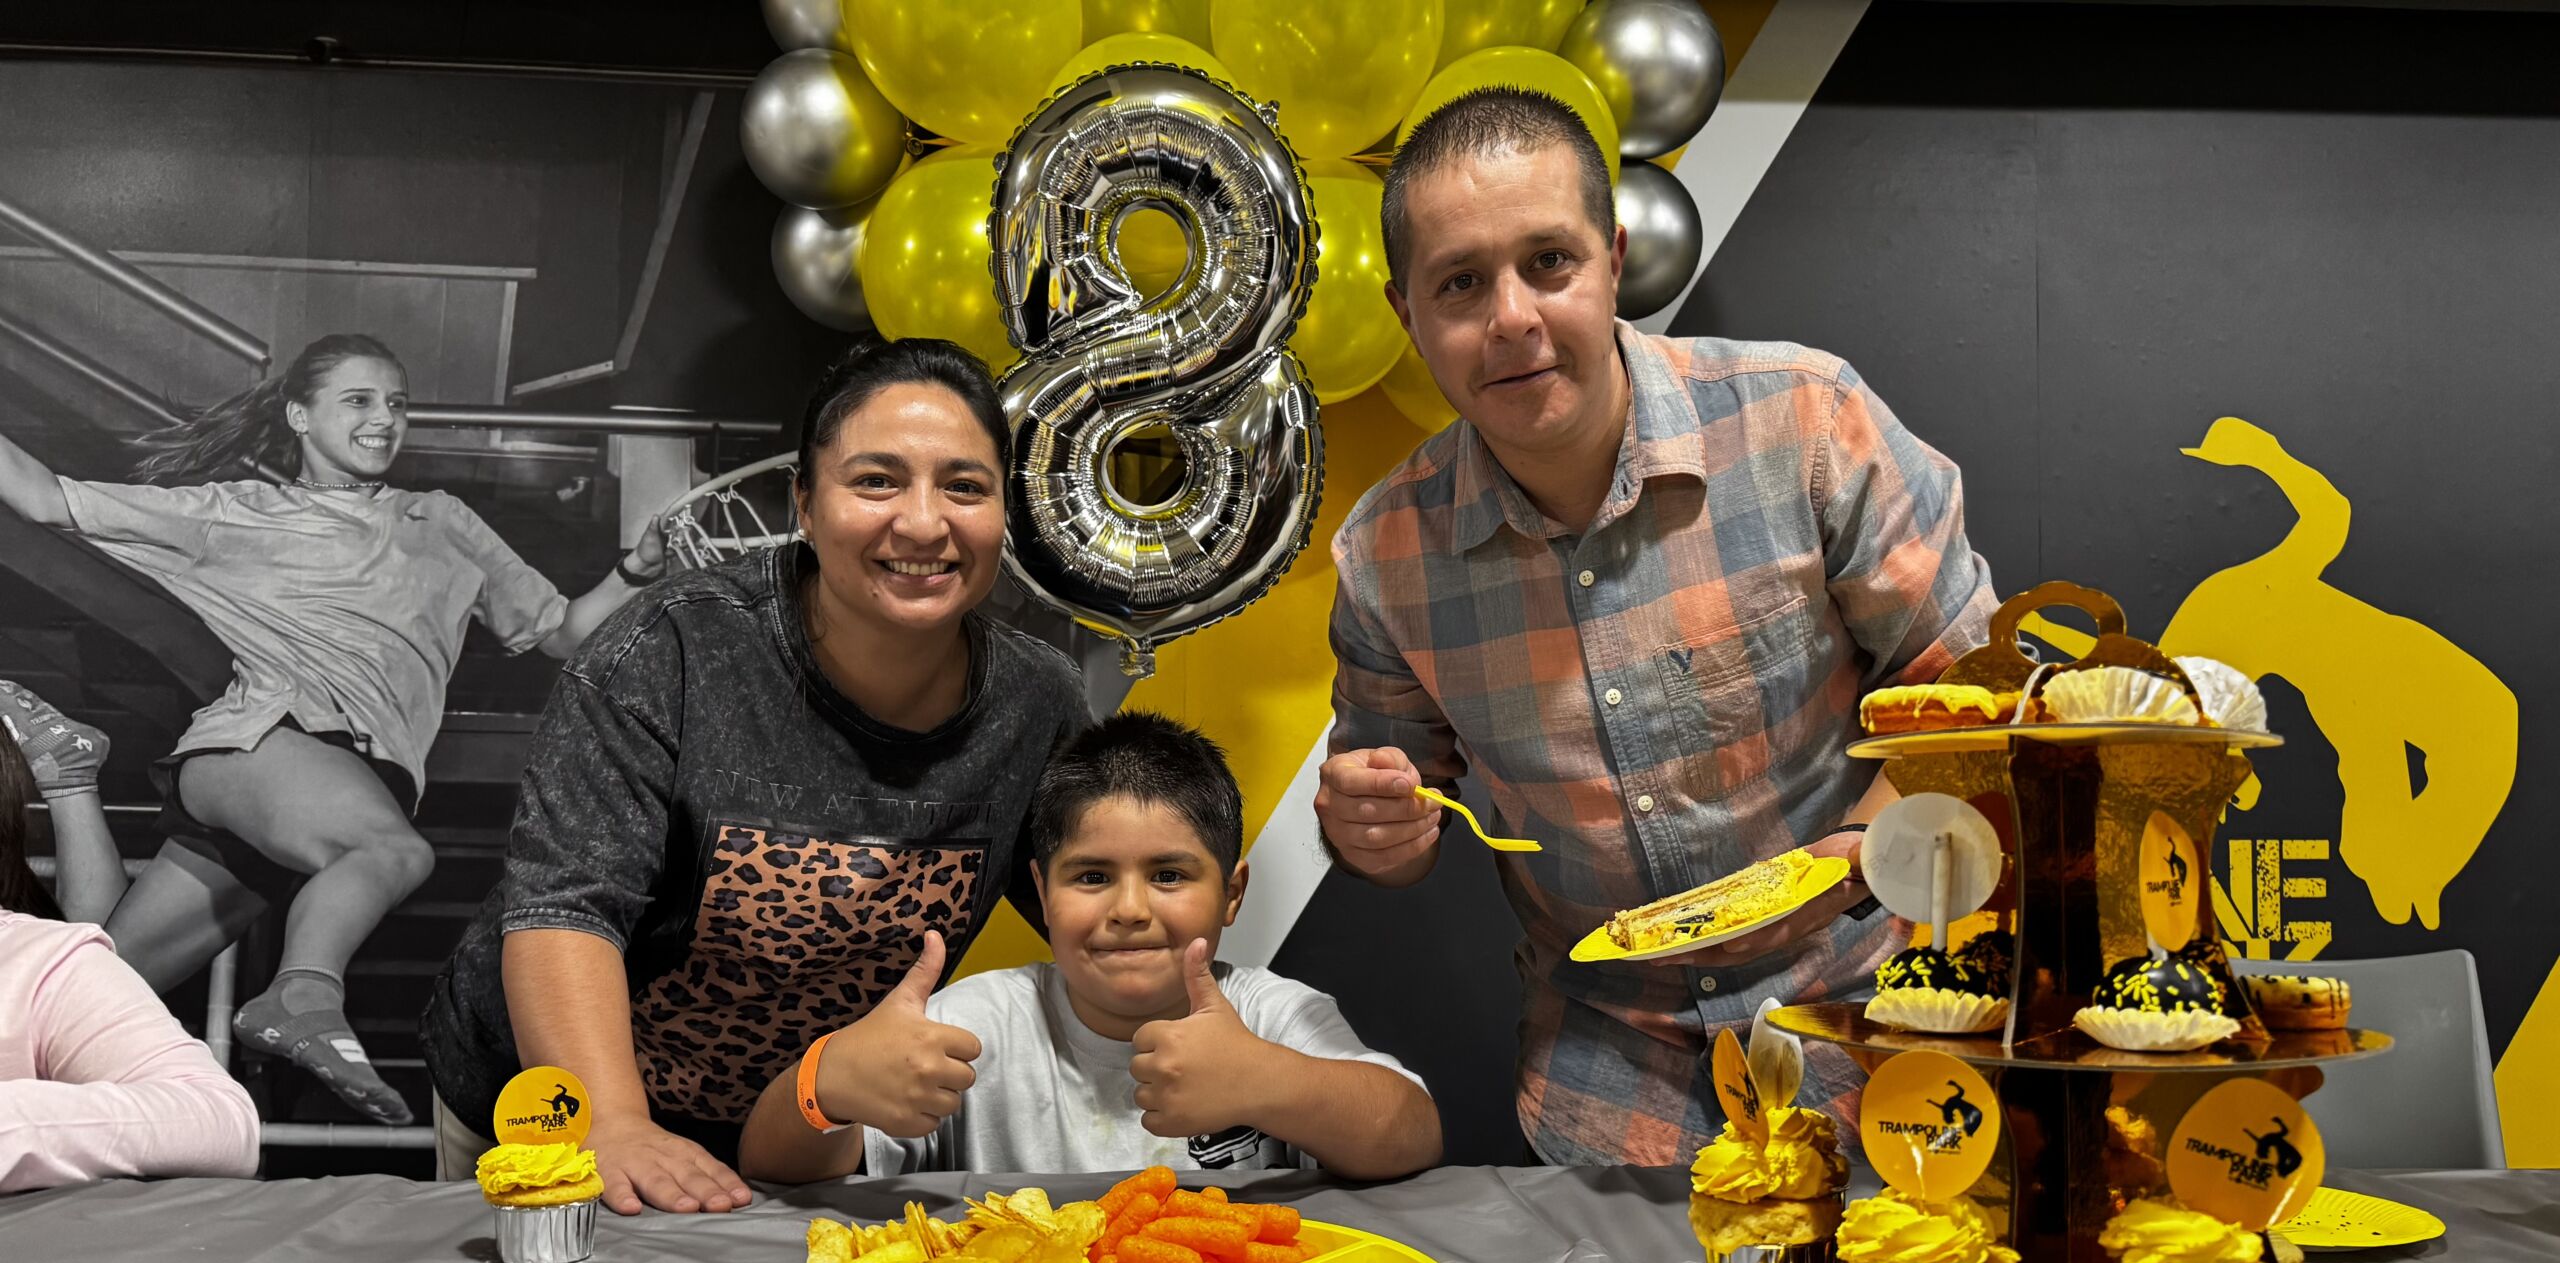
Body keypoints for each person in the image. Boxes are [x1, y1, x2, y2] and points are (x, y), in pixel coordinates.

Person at [1315, 90, 1998, 1166]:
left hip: (1884, 1030)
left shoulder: (1805, 420)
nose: (1511, 317)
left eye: (1549, 262)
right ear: (1409, 316)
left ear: (1613, 261)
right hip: (1610, 1084)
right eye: (1461, 283)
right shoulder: (1383, 558)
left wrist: (1865, 854)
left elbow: (1977, 694)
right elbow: (1394, 824)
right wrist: (1369, 833)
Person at [422, 337, 1088, 1215]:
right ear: (804, 505)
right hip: (560, 1108)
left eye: (965, 487)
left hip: (794, 1136)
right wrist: (612, 1123)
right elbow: (564, 910)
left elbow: (1099, 908)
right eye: (877, 481)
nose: (924, 523)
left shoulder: (1038, 703)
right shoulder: (668, 649)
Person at [0, 333, 668, 1125]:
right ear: (299, 417)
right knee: (392, 854)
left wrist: (634, 572)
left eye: (396, 403)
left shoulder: (443, 522)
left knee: (102, 984)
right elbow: (42, 498)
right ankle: (304, 995)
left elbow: (562, 632)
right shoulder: (236, 513)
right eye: (358, 400)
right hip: (267, 744)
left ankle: (71, 776)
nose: (385, 418)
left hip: (342, 787)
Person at [738, 712, 1442, 1183]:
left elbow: (1413, 1134)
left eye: (1169, 876)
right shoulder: (973, 1024)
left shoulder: (1270, 1014)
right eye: (1093, 877)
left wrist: (1270, 1082)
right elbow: (769, 1163)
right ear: (1043, 896)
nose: (1129, 911)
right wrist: (826, 1081)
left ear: (1231, 893)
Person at [0, 726, 259, 1192]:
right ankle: (70, 780)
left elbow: (221, 1121)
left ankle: (71, 779)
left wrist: (16, 1122)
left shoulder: (41, 961)